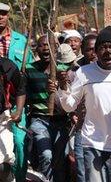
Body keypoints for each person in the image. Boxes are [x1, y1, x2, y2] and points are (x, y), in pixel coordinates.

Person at [54, 26, 111, 181]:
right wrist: (62, 88)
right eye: (102, 47)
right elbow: (69, 106)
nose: (107, 51)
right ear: (95, 52)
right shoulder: (84, 73)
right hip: (92, 143)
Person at [0, 2, 32, 181]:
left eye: (3, 14)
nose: (0, 17)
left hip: (15, 103)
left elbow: (29, 69)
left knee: (20, 144)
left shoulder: (22, 40)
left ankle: (19, 178)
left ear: (8, 16)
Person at [25, 39, 74, 181]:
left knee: (60, 160)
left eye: (48, 45)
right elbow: (24, 94)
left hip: (60, 121)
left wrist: (62, 84)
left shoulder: (63, 69)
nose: (46, 49)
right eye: (41, 45)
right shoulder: (29, 69)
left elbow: (69, 95)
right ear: (36, 50)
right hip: (39, 120)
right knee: (46, 156)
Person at [69, 33, 97, 182]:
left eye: (95, 49)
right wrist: (72, 113)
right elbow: (68, 100)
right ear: (82, 50)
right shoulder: (75, 72)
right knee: (81, 165)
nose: (93, 53)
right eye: (88, 50)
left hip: (105, 127)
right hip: (82, 125)